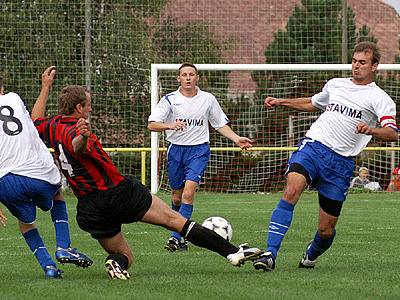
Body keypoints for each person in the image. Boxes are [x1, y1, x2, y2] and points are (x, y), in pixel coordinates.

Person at [32, 69, 262, 280]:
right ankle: (233, 252)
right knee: (176, 221)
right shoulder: (80, 132)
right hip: (118, 193)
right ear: (79, 108)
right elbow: (76, 146)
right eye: (88, 104)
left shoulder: (51, 126)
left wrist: (45, 87)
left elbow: (35, 121)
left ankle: (115, 263)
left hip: (89, 208)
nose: (90, 108)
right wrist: (83, 136)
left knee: (125, 256)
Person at [252, 41, 398, 272]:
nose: (356, 66)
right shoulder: (336, 84)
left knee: (326, 231)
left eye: (362, 62)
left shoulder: (380, 99)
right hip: (314, 146)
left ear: (375, 66)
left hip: (340, 164)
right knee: (291, 190)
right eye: (354, 61)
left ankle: (311, 254)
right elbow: (313, 103)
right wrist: (282, 102)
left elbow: (392, 132)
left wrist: (372, 130)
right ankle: (270, 253)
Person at [148, 63, 253, 252]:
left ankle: (176, 237)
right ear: (178, 79)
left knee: (188, 193)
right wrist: (170, 125)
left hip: (199, 150)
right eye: (184, 75)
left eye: (191, 74)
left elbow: (219, 124)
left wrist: (237, 138)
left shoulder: (208, 99)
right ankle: (179, 230)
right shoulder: (170, 100)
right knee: (177, 196)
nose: (188, 78)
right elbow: (152, 124)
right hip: (176, 151)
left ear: (197, 77)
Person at [0, 72, 90, 279]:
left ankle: (48, 266)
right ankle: (63, 246)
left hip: (5, 182)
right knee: (57, 193)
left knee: (25, 222)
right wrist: (46, 86)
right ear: (2, 88)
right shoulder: (13, 98)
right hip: (37, 173)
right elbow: (35, 120)